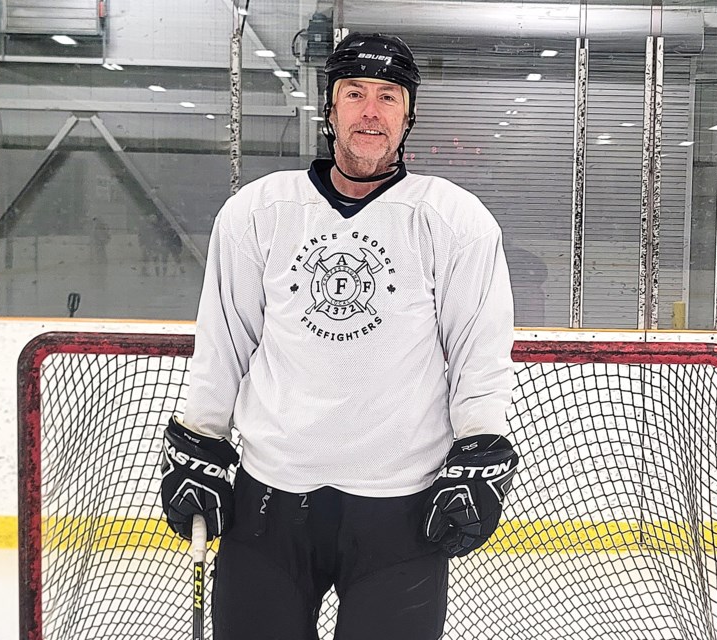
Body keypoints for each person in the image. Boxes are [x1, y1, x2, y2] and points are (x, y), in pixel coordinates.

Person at [159, 32, 520, 640]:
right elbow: (225, 337)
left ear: (408, 115)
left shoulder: (453, 219)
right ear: (329, 108)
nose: (371, 111)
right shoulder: (259, 210)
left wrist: (481, 448)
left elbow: (478, 352)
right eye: (354, 94)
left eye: (388, 96)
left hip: (401, 510)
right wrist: (201, 437)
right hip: (270, 499)